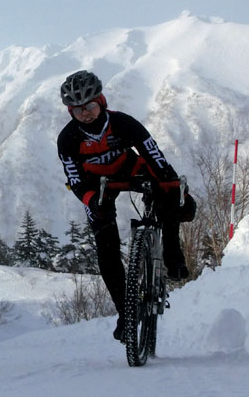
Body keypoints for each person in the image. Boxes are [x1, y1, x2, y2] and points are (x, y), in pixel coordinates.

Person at [56, 70, 195, 342]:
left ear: (102, 101)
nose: (85, 114)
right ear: (70, 111)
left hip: (132, 170)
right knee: (105, 247)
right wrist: (91, 201)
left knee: (167, 195)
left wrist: (174, 189)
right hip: (96, 185)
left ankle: (172, 255)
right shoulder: (68, 139)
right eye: (77, 110)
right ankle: (125, 313)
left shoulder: (123, 124)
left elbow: (153, 155)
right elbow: (74, 180)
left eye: (90, 106)